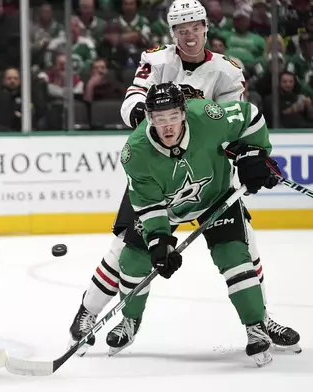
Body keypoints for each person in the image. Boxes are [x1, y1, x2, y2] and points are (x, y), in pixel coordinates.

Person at [67, 0, 300, 355]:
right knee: (123, 251)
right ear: (172, 32)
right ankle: (90, 314)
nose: (188, 35)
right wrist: (159, 131)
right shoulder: (157, 61)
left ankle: (260, 318)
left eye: (194, 27)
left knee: (242, 246)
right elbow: (132, 103)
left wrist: (253, 155)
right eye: (181, 29)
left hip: (207, 170)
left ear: (206, 28)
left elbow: (235, 125)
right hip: (158, 170)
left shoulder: (226, 70)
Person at [107, 82, 282, 366]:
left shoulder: (208, 116)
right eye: (160, 119)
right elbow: (149, 205)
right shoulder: (135, 152)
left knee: (234, 256)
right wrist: (159, 241)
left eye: (173, 116)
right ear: (149, 118)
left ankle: (255, 326)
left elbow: (251, 116)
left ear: (184, 113)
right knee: (133, 259)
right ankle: (129, 320)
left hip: (216, 196)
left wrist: (255, 153)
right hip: (168, 207)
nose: (168, 127)